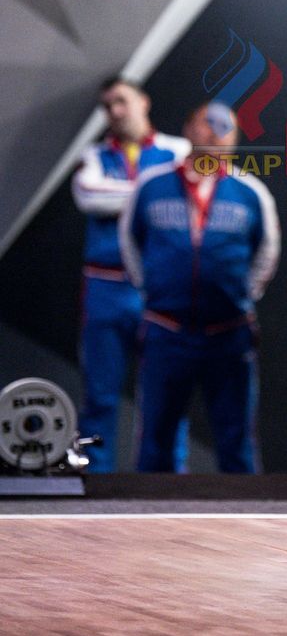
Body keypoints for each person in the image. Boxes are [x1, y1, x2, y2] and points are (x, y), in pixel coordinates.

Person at [119, 102, 280, 473]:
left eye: (227, 127)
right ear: (189, 129)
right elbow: (130, 243)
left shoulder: (250, 192)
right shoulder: (152, 185)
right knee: (155, 440)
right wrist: (156, 289)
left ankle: (243, 510)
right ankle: (149, 510)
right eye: (209, 123)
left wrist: (240, 295)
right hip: (166, 331)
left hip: (228, 335)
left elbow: (266, 252)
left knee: (237, 441)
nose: (217, 133)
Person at [71, 77, 190, 471]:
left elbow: (194, 193)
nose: (115, 112)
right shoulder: (93, 155)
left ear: (143, 101)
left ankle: (167, 488)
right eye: (107, 106)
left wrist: (126, 193)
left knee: (166, 395)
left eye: (121, 101)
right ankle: (94, 487)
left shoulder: (178, 150)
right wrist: (156, 193)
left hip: (159, 290)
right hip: (104, 289)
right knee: (100, 396)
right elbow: (89, 195)